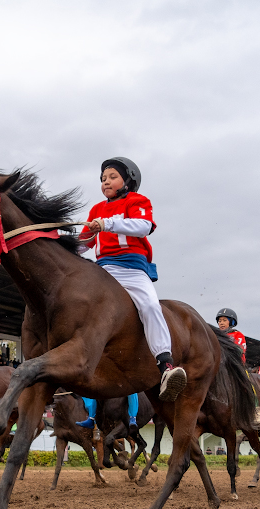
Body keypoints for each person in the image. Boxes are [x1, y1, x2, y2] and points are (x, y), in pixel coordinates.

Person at [80, 157, 186, 401]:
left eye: (112, 177)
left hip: (132, 269)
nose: (106, 181)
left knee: (150, 305)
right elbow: (83, 244)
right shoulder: (96, 210)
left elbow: (143, 226)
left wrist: (107, 224)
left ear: (128, 181)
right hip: (104, 269)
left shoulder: (138, 201)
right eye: (103, 178)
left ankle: (165, 365)